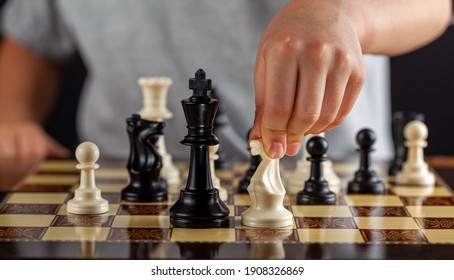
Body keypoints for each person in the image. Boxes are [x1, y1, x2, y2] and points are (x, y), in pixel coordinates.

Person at [0, 0, 451, 163]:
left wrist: (342, 14)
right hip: (120, 175)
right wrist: (11, 116)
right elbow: (34, 36)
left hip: (332, 180)